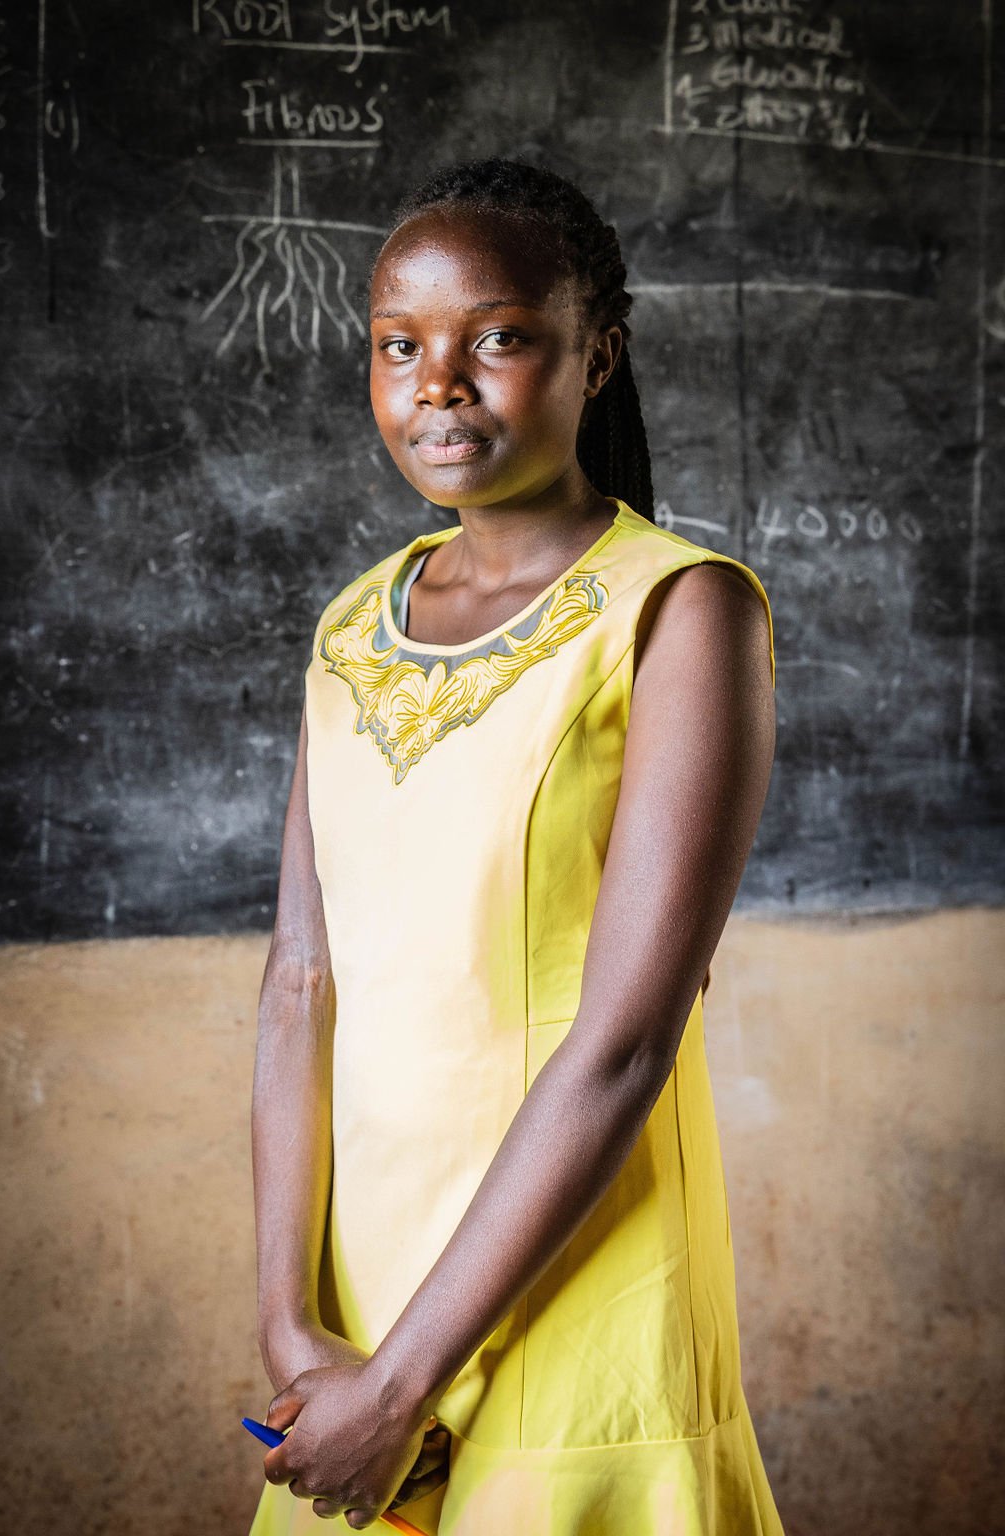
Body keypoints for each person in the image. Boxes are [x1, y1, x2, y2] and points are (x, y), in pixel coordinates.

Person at [247, 157, 783, 1535]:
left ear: (596, 356)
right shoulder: (352, 625)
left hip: (579, 1273)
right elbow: (300, 980)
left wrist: (406, 1385)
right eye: (398, 346)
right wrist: (292, 1324)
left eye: (495, 337)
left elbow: (622, 1039)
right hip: (361, 1306)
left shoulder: (678, 611)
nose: (439, 382)